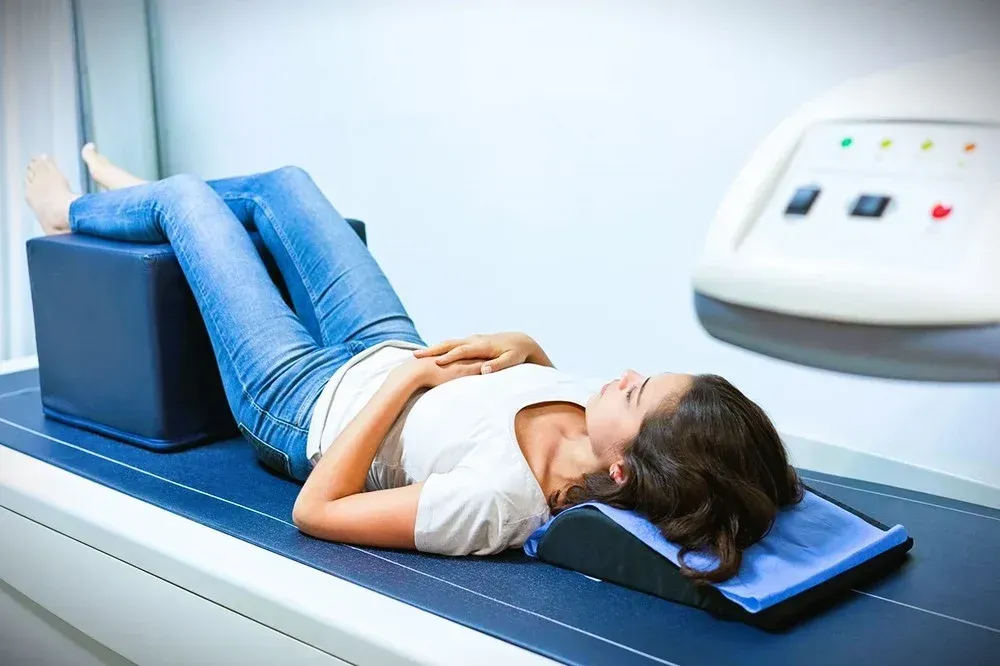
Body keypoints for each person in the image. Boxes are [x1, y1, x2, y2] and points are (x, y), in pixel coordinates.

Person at [24, 146, 803, 584]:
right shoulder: (594, 428)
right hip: (391, 343)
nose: (625, 373)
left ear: (625, 471)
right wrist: (526, 349)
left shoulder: (500, 505)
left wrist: (404, 383)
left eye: (636, 393)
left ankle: (88, 213)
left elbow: (318, 512)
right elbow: (534, 396)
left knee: (190, 198)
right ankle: (161, 208)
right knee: (287, 182)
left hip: (302, 400)